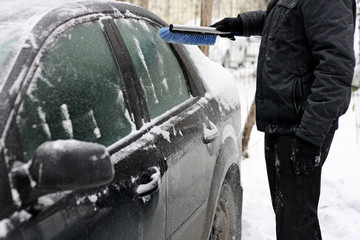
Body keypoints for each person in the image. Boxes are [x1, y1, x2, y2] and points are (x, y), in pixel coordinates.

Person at [211, 0, 356, 239]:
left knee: (296, 227)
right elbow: (288, 22)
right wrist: (243, 24)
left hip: (301, 127)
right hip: (284, 122)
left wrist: (310, 136)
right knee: (289, 220)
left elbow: (336, 71)